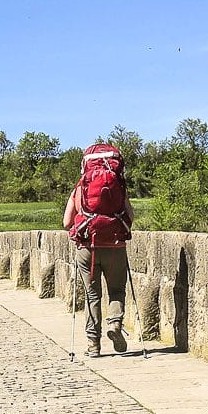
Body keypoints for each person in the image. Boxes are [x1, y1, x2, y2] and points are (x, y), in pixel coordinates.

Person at [63, 142, 134, 356]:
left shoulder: (80, 188)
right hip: (115, 246)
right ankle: (115, 324)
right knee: (117, 291)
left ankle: (93, 344)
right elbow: (130, 217)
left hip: (88, 248)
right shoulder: (118, 186)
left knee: (92, 295)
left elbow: (67, 221)